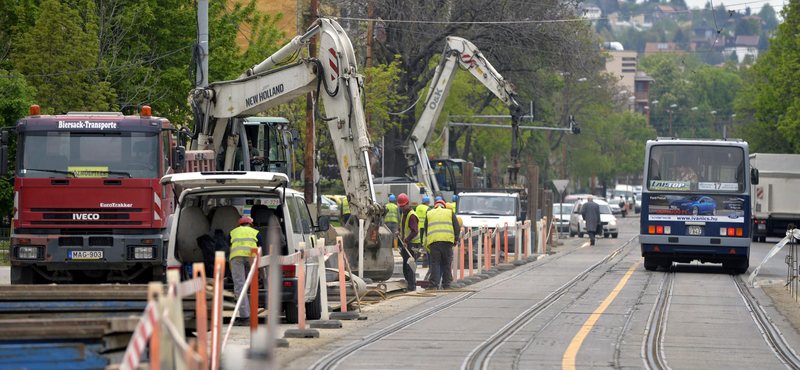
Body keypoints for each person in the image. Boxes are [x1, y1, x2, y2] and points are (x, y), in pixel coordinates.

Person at [229, 217, 264, 326]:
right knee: (253, 285)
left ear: (239, 225)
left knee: (240, 286)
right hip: (252, 256)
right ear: (251, 225)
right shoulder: (256, 233)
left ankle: (245, 316)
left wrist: (231, 270)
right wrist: (260, 271)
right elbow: (260, 252)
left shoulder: (232, 232)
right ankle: (252, 313)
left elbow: (230, 249)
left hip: (236, 258)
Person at [424, 199, 461, 290]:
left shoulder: (429, 214)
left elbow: (426, 229)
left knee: (435, 263)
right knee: (446, 263)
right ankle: (447, 285)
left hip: (434, 242)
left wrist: (430, 240)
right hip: (447, 242)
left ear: (435, 206)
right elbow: (457, 228)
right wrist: (455, 240)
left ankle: (433, 285)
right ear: (444, 206)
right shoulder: (449, 213)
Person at [397, 193, 421, 291]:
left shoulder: (412, 216)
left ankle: (411, 286)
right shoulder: (404, 213)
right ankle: (410, 284)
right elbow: (403, 226)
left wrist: (406, 240)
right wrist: (399, 230)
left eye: (403, 206)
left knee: (410, 266)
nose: (402, 208)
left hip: (412, 245)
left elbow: (414, 231)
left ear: (407, 204)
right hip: (407, 244)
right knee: (405, 266)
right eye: (401, 206)